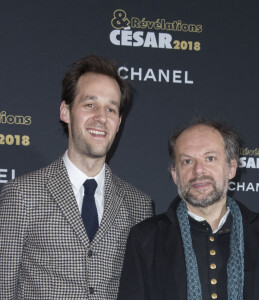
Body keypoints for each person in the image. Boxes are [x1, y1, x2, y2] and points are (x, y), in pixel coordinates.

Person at [0, 55, 154, 299]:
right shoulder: (21, 195)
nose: (101, 118)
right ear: (65, 111)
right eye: (89, 104)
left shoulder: (139, 206)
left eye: (111, 109)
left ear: (119, 122)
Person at [117, 119, 259, 300]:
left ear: (231, 168)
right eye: (187, 161)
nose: (199, 170)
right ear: (174, 174)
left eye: (210, 158)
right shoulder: (146, 239)